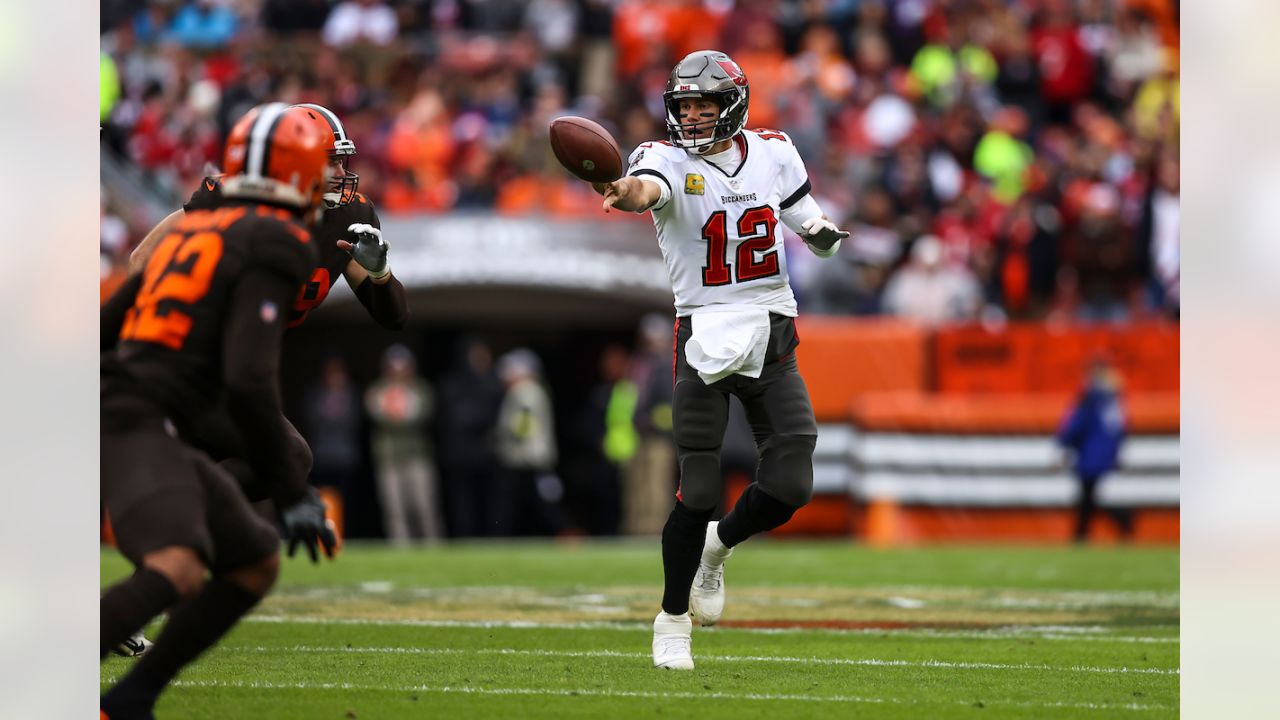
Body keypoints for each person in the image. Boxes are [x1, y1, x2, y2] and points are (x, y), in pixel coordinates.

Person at [116, 100, 408, 652]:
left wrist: (380, 272)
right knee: (279, 474)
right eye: (330, 161)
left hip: (219, 370)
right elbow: (140, 262)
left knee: (274, 479)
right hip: (183, 365)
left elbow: (393, 316)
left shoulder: (344, 216)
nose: (343, 175)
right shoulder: (238, 210)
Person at [592, 50, 849, 670]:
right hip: (704, 330)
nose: (694, 116)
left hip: (772, 325)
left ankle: (719, 546)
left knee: (791, 484)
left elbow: (799, 213)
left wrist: (818, 233)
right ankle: (672, 617)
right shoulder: (664, 159)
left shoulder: (774, 151)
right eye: (685, 106)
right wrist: (621, 190)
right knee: (699, 487)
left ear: (732, 103)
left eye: (705, 104)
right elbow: (644, 189)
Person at [99, 103, 338, 719]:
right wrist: (291, 493)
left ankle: (129, 700)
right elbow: (247, 379)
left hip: (137, 401)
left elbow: (109, 322)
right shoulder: (277, 237)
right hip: (139, 409)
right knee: (178, 566)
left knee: (254, 560)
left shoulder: (195, 225)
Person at [365, 344, 444, 543]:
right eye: (394, 367)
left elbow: (420, 414)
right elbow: (377, 414)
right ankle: (400, 549)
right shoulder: (377, 390)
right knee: (394, 509)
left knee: (424, 506)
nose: (398, 372)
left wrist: (397, 413)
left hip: (417, 456)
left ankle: (434, 546)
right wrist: (397, 414)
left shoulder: (421, 388)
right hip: (388, 457)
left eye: (403, 366)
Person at [436, 337, 504, 537]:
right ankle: (464, 536)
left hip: (485, 454)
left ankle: (488, 536)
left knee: (487, 499)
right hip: (459, 455)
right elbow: (448, 418)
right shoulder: (451, 383)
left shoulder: (492, 383)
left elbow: (492, 415)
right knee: (461, 501)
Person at [1057, 358, 1131, 543]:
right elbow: (1120, 429)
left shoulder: (1090, 398)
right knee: (1088, 494)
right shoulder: (1113, 399)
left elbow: (1076, 424)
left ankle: (1085, 533)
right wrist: (1115, 453)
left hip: (1089, 452)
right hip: (1102, 452)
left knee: (1087, 495)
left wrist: (1064, 444)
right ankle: (1083, 533)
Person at [494, 349, 565, 536]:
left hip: (528, 458)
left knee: (544, 502)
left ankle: (565, 532)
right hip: (526, 457)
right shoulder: (531, 390)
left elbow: (524, 424)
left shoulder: (525, 390)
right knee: (522, 503)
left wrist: (504, 434)